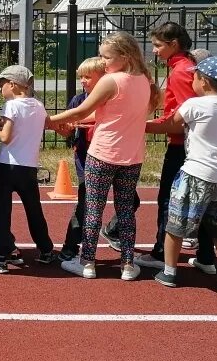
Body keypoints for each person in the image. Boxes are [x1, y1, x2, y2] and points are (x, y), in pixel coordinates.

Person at [50, 32, 159, 281]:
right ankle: (128, 265)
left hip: (103, 153)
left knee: (93, 209)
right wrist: (73, 122)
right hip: (132, 156)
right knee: (125, 211)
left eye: (105, 56)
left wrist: (48, 120)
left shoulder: (111, 80)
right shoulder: (144, 79)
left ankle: (87, 262)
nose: (103, 61)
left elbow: (84, 109)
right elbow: (106, 115)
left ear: (124, 56)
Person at [103, 23, 196, 271]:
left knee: (168, 199)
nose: (154, 51)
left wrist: (142, 126)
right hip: (186, 144)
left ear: (173, 44)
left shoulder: (181, 71)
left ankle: (161, 252)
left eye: (157, 45)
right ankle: (205, 255)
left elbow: (186, 117)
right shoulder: (184, 66)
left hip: (183, 146)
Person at [151, 57, 217, 293]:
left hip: (197, 172)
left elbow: (171, 124)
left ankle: (169, 272)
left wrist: (140, 125)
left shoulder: (194, 105)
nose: (192, 80)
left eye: (195, 76)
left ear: (204, 81)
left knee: (176, 224)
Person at [0, 65, 56, 273]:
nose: (0, 90)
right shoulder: (38, 106)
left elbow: (6, 137)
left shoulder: (11, 106)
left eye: (2, 85)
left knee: (2, 211)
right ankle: (45, 249)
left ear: (13, 85)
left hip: (8, 165)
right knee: (34, 210)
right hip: (29, 167)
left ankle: (1, 255)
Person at [57, 57, 106, 262]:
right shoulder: (78, 100)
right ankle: (70, 245)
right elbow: (65, 132)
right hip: (85, 158)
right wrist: (66, 128)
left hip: (110, 155)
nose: (83, 81)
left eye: (88, 76)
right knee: (85, 202)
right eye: (81, 77)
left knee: (132, 201)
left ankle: (113, 230)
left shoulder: (110, 99)